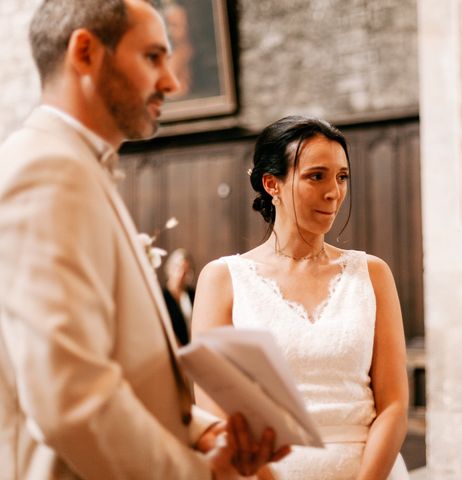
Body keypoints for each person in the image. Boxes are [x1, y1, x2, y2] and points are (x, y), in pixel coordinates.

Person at [0, 1, 288, 478]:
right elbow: (71, 399)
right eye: (153, 57)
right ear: (86, 52)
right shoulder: (45, 170)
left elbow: (122, 366)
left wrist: (201, 431)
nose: (172, 81)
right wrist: (201, 475)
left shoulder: (78, 166)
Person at [192, 116, 410, 479]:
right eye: (316, 176)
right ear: (271, 183)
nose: (333, 192)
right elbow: (215, 413)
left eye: (342, 177)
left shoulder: (371, 274)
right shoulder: (224, 278)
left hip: (370, 470)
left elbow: (395, 405)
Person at [163, 248, 196, 345]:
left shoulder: (192, 295)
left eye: (186, 271)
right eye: (178, 268)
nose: (181, 274)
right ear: (169, 269)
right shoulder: (162, 298)